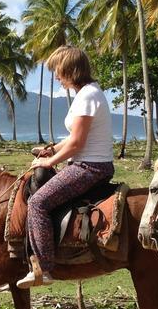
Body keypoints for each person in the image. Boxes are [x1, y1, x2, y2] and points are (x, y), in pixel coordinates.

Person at [17, 45, 114, 289]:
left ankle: (44, 268)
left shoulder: (89, 95)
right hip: (86, 163)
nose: (57, 77)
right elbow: (72, 138)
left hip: (89, 167)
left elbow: (78, 143)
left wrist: (49, 161)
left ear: (71, 69)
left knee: (38, 203)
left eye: (58, 71)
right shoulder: (86, 93)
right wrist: (52, 150)